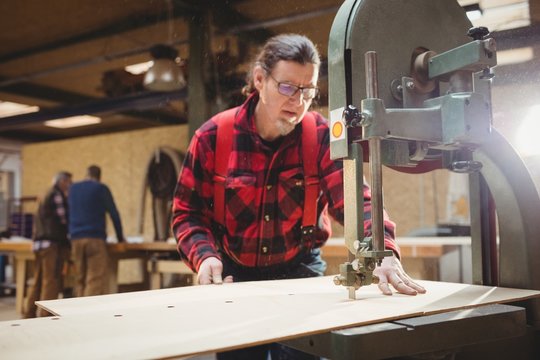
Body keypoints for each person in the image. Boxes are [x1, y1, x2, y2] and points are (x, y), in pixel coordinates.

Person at [172, 34, 426, 359]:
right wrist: (205, 256)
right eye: (289, 87)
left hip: (299, 272)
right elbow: (186, 213)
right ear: (260, 79)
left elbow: (356, 202)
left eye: (308, 91)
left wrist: (382, 250)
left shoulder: (319, 135)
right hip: (234, 278)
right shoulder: (212, 137)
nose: (299, 101)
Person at [68, 165, 125, 297]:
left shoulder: (73, 189)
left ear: (86, 174)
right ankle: (88, 313)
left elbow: (66, 213)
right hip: (94, 238)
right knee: (95, 278)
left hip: (75, 238)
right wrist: (120, 238)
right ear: (99, 176)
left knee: (79, 278)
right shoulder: (101, 188)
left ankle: (77, 311)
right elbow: (114, 214)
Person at [24, 171, 72, 318]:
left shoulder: (44, 195)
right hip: (51, 244)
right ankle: (45, 315)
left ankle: (29, 313)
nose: (69, 185)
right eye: (69, 182)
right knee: (51, 281)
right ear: (62, 181)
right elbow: (64, 219)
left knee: (38, 281)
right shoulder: (57, 194)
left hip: (38, 244)